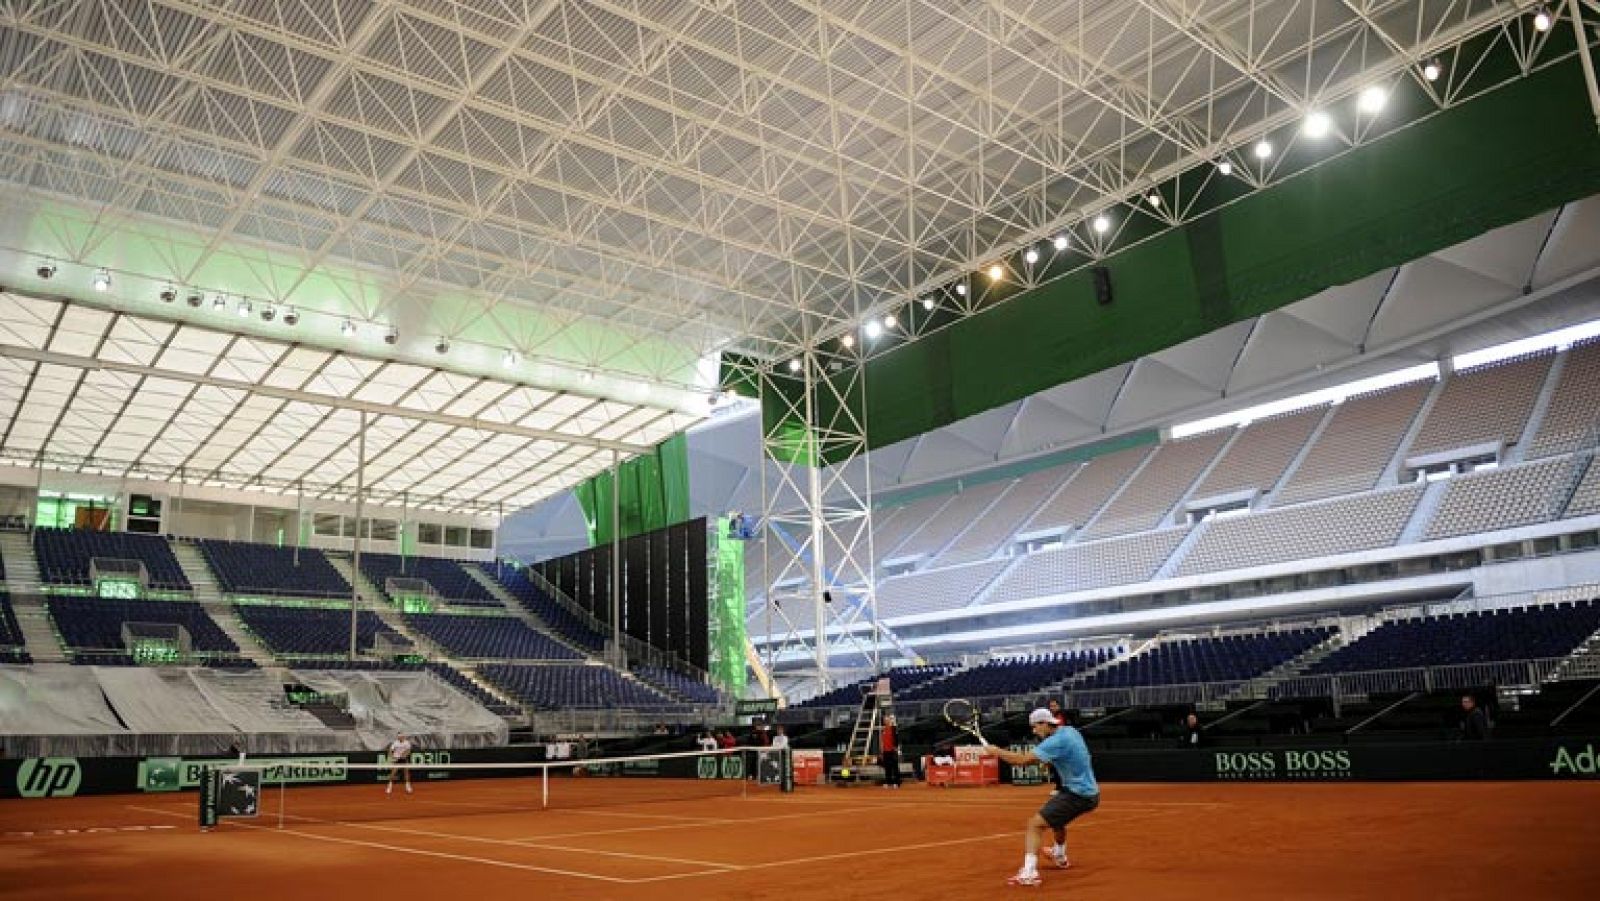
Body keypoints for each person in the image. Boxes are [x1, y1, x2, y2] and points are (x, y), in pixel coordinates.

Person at [983, 708, 1100, 887]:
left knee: (1035, 824)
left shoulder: (1054, 742)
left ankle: (1029, 873)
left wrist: (996, 751)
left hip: (1078, 794)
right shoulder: (1070, 731)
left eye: (1035, 726)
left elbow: (1020, 761)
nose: (1033, 731)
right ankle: (1059, 855)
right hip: (1088, 792)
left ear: (1045, 723)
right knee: (1056, 820)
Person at [879, 715, 902, 788]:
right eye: (884, 720)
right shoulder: (884, 730)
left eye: (887, 720)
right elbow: (882, 741)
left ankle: (896, 783)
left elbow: (897, 739)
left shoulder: (893, 729)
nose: (885, 721)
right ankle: (888, 782)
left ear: (890, 721)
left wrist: (896, 749)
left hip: (892, 750)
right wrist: (882, 751)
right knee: (887, 767)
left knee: (894, 767)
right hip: (885, 751)